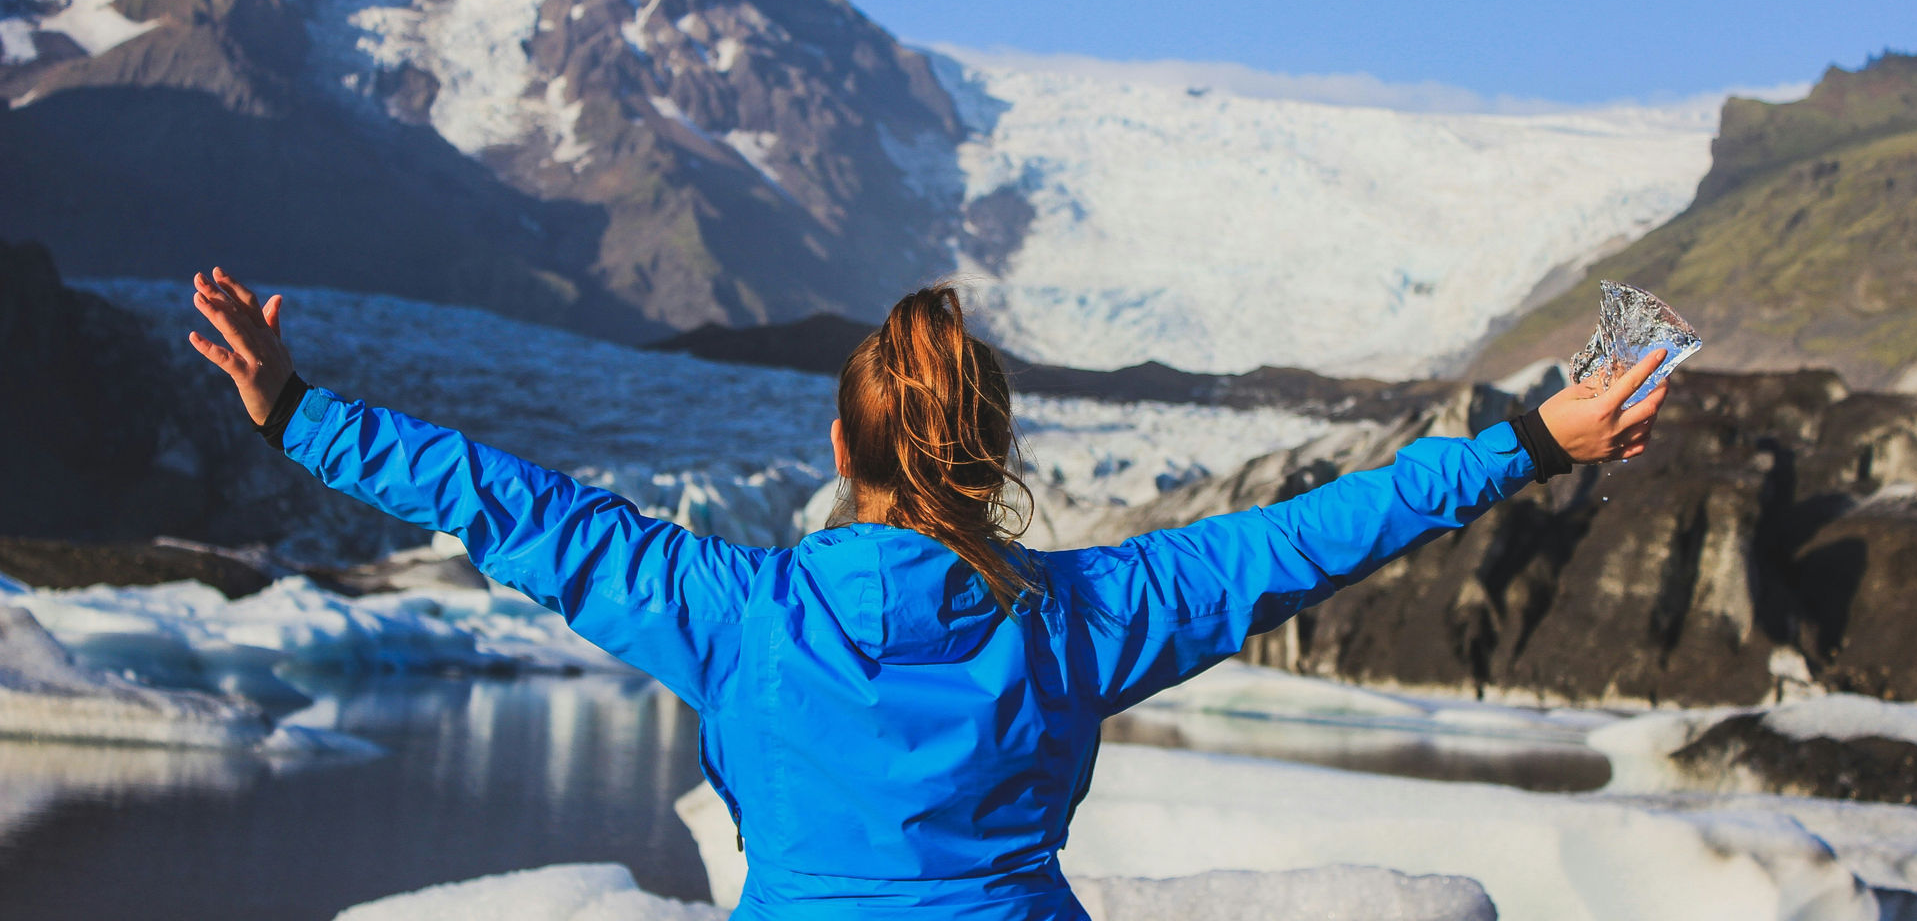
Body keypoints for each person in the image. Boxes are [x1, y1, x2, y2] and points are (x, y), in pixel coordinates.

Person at [187, 267, 1667, 921]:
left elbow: (509, 506)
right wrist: (1532, 439)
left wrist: (296, 411)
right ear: (997, 458)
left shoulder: (735, 615)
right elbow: (1304, 539)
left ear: (836, 450)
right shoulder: (1081, 621)